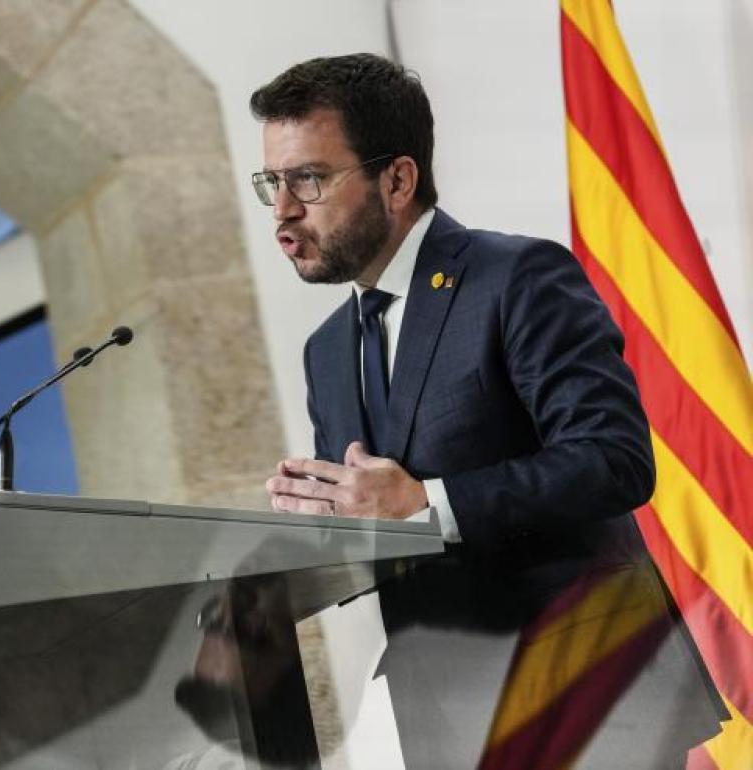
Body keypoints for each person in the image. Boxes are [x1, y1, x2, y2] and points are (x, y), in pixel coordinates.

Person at [252, 54, 725, 769]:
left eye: (308, 179)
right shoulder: (327, 350)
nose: (284, 209)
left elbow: (614, 460)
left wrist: (426, 502)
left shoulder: (517, 278)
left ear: (397, 180)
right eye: (272, 182)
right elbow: (378, 525)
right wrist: (323, 525)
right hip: (446, 713)